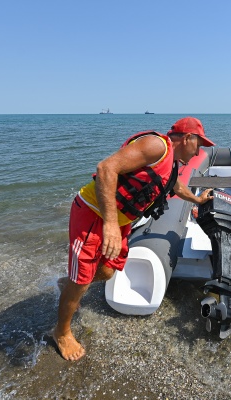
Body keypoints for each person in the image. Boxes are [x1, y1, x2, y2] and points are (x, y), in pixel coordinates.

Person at [53, 117, 215, 361]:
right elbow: (106, 168)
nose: (199, 152)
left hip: (120, 220)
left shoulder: (171, 162)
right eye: (199, 145)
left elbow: (176, 186)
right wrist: (109, 224)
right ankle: (61, 332)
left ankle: (70, 282)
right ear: (188, 138)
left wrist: (198, 200)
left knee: (107, 272)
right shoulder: (156, 146)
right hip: (94, 214)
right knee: (83, 280)